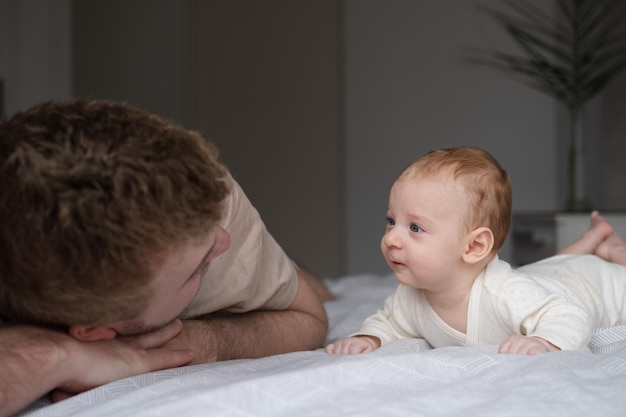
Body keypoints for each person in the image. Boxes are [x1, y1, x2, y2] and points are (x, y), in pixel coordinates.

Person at [0, 99, 332, 416]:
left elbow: (308, 315)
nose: (223, 242)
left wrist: (195, 343)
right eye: (191, 272)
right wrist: (56, 355)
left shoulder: (211, 196)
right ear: (94, 330)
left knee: (312, 286)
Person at [325, 146, 626, 356]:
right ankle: (593, 240)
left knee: (602, 272)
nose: (391, 238)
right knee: (552, 267)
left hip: (598, 286)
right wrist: (369, 337)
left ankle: (612, 250)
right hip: (548, 275)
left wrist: (546, 341)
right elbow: (388, 321)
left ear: (473, 247)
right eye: (392, 221)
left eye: (415, 228)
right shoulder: (410, 297)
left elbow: (568, 315)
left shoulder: (507, 293)